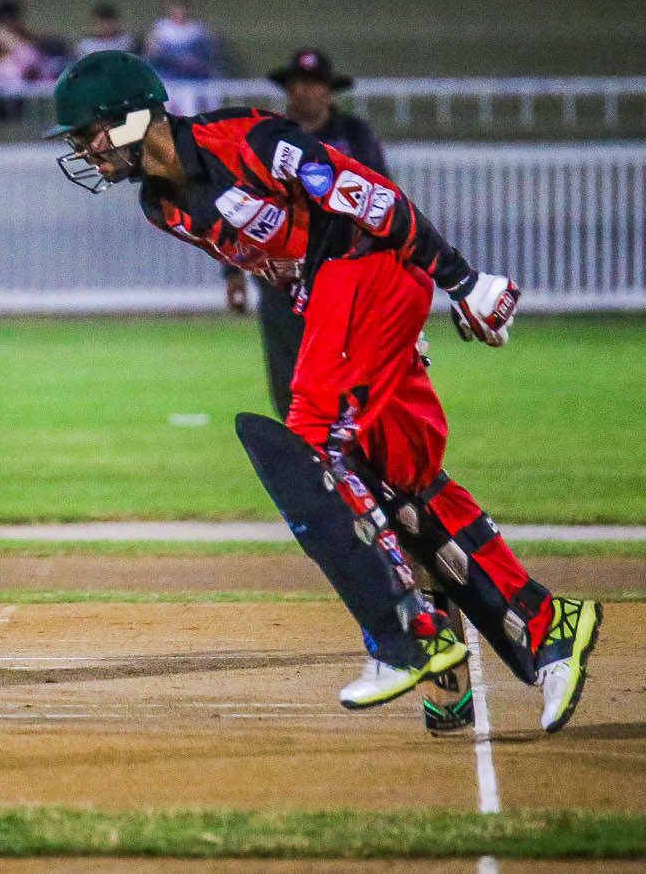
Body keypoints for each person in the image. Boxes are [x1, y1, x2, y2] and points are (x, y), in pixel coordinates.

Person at [46, 51, 603, 732]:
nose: (84, 151)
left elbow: (375, 199)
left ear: (133, 117)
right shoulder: (163, 208)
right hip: (339, 304)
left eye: (88, 133)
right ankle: (548, 626)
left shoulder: (249, 139)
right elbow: (278, 267)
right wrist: (375, 342)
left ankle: (408, 636)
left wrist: (463, 281)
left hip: (367, 268)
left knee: (314, 450)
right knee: (403, 483)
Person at [226, 49, 389, 417]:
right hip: (280, 274)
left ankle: (348, 438)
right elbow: (241, 207)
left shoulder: (355, 136)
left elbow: (383, 198)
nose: (304, 92)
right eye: (297, 84)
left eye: (313, 84)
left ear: (328, 91)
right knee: (288, 374)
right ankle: (302, 440)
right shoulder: (267, 139)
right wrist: (232, 271)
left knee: (349, 370)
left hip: (344, 271)